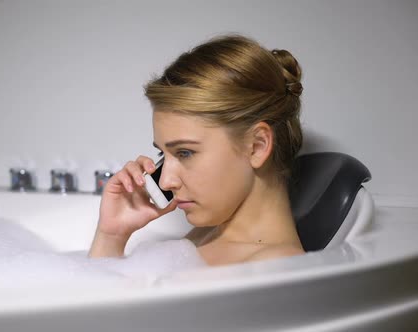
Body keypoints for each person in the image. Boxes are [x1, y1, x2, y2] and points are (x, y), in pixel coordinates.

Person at [88, 34, 305, 266]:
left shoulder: (274, 271)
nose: (166, 182)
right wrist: (111, 236)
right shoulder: (204, 239)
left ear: (257, 147)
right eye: (163, 154)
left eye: (185, 153)